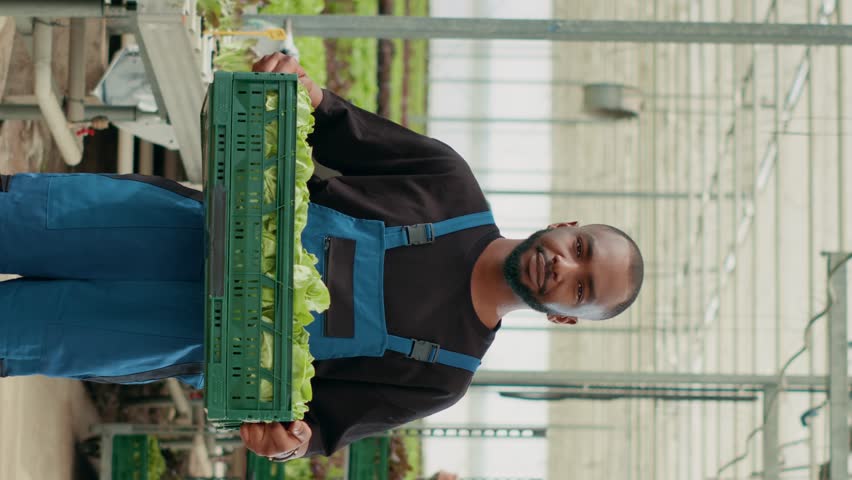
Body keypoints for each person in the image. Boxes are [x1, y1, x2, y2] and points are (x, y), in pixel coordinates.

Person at [0, 53, 643, 461]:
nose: (564, 268)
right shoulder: (449, 184)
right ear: (565, 226)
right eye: (580, 249)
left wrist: (282, 442)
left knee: (16, 333)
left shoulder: (443, 376)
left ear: (564, 318)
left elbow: (311, 430)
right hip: (167, 227)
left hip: (172, 332)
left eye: (581, 290)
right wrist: (297, 84)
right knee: (16, 218)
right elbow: (330, 119)